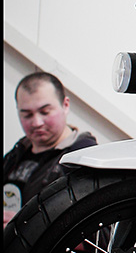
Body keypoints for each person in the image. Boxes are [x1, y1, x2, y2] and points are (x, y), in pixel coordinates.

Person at [4, 72, 97, 228]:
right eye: (27, 115)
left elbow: (96, 232)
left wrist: (23, 228)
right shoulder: (18, 152)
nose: (36, 122)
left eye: (45, 112)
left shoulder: (82, 158)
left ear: (65, 105)